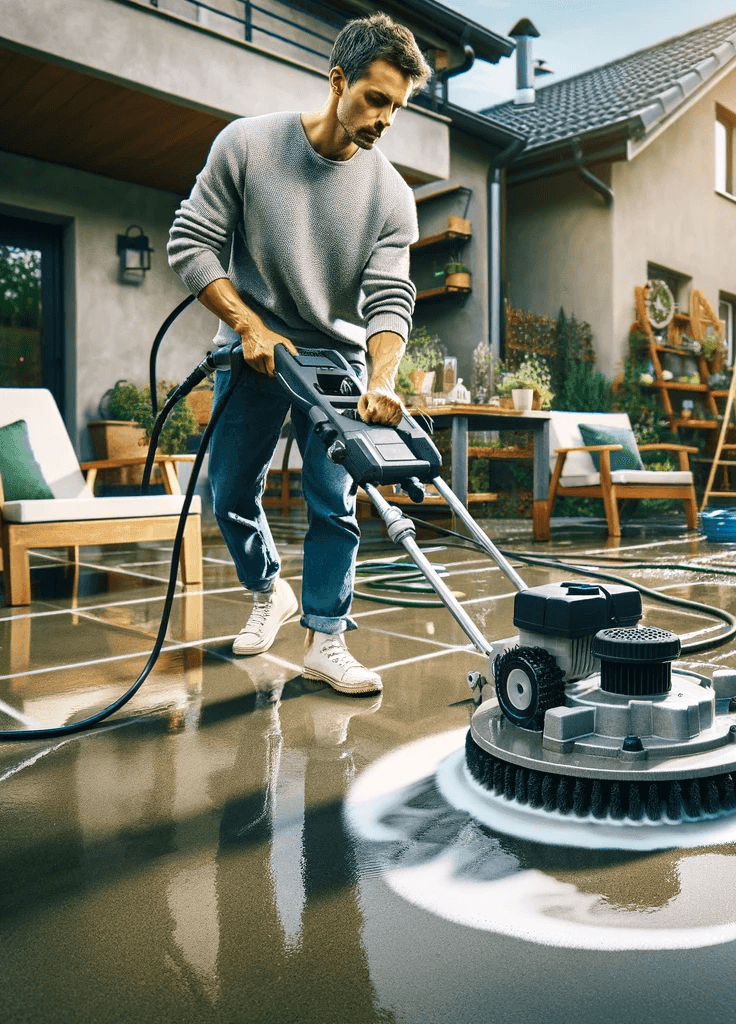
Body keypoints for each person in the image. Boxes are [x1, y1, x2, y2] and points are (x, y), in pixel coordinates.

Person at [168, 13, 431, 695]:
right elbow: (190, 242)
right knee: (228, 492)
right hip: (251, 345)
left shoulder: (392, 196)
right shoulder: (248, 145)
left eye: (396, 108)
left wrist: (382, 378)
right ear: (338, 80)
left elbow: (389, 298)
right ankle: (268, 590)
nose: (384, 120)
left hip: (334, 362)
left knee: (332, 496)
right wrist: (249, 326)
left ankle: (327, 636)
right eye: (375, 99)